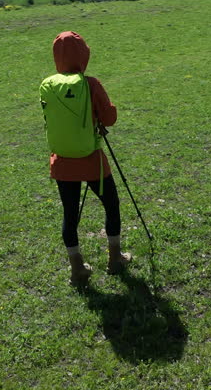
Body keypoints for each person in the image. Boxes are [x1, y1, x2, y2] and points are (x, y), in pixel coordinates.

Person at [42, 31, 131, 286]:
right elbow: (109, 118)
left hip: (62, 161)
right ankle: (115, 259)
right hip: (91, 159)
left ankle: (77, 268)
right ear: (83, 55)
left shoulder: (48, 84)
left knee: (70, 216)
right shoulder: (90, 84)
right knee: (111, 205)